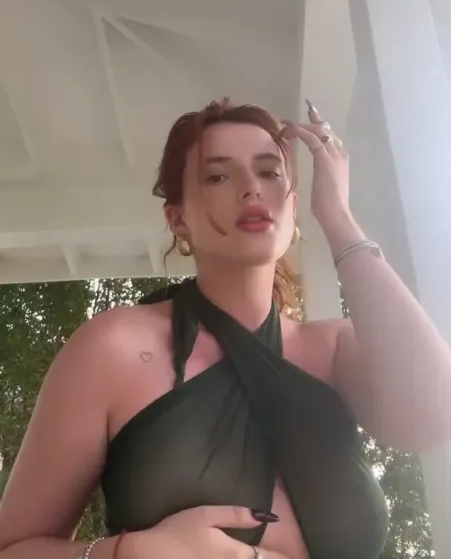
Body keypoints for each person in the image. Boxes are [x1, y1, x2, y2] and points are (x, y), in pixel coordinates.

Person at [0, 98, 451, 559]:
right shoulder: (114, 349)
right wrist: (128, 553)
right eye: (218, 176)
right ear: (178, 219)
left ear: (293, 205)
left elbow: (432, 418)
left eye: (269, 172)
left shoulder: (335, 350)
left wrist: (338, 217)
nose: (251, 189)